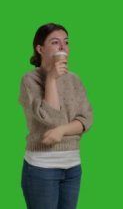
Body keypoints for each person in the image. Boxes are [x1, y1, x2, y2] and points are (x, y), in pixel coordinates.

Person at [19, 23, 93, 209]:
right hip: (42, 168)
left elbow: (86, 120)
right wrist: (51, 78)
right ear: (40, 49)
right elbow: (50, 118)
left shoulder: (75, 80)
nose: (63, 47)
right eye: (55, 42)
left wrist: (61, 131)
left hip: (73, 167)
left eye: (66, 42)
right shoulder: (30, 80)